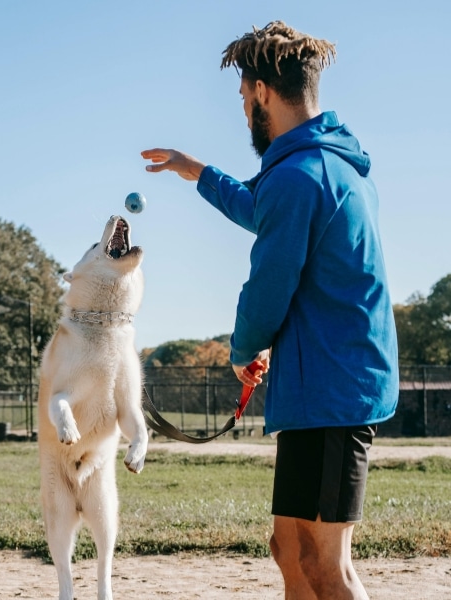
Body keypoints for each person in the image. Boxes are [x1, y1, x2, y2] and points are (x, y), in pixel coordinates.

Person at [142, 20, 399, 600]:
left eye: (241, 97)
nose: (242, 110)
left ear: (260, 92)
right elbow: (263, 206)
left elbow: (267, 287)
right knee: (290, 549)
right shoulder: (322, 167)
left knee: (322, 563)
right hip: (322, 388)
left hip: (333, 390)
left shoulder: (301, 175)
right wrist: (198, 172)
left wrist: (243, 349)